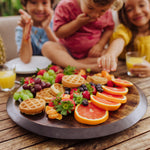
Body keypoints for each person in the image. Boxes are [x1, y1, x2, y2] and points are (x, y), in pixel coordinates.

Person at [42, 0, 119, 72]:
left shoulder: (107, 12)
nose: (95, 14)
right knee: (47, 47)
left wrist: (100, 45)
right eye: (90, 7)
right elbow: (59, 33)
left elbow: (109, 29)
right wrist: (77, 23)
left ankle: (70, 64)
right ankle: (86, 67)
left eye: (102, 10)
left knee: (111, 59)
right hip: (67, 52)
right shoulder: (66, 6)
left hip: (91, 55)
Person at [98, 0, 150, 77]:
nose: (137, 12)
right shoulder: (125, 29)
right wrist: (111, 54)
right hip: (125, 75)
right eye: (129, 9)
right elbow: (119, 40)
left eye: (142, 5)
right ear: (124, 14)